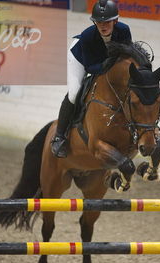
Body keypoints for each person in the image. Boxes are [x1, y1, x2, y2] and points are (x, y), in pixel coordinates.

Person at [51, 0, 132, 158]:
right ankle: (59, 136)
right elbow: (90, 67)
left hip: (103, 61)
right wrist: (108, 65)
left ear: (115, 20)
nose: (103, 26)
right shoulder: (88, 36)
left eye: (107, 21)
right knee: (74, 93)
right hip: (80, 58)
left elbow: (127, 55)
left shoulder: (124, 31)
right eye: (99, 22)